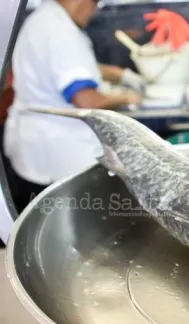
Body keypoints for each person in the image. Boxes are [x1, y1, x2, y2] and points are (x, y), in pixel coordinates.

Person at [4, 0, 145, 213]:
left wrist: (119, 73)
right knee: (63, 225)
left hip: (33, 146)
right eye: (95, 4)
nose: (93, 12)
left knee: (39, 220)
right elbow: (86, 100)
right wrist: (126, 96)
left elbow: (74, 66)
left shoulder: (42, 19)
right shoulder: (60, 31)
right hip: (58, 151)